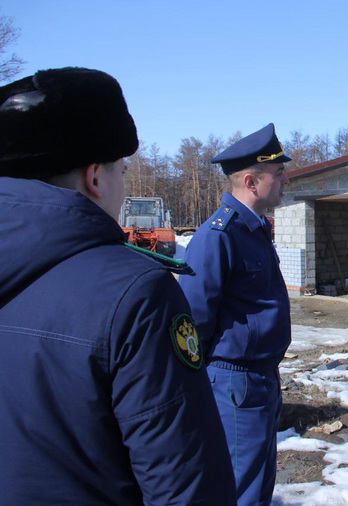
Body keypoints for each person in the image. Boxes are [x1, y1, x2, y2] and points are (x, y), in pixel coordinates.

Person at [0, 67, 236, 504]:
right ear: (95, 177)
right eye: (122, 171)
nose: (124, 187)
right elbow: (185, 482)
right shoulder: (135, 294)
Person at [179, 122, 292, 505]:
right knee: (241, 488)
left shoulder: (253, 228)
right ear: (251, 181)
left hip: (260, 378)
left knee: (258, 484)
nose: (285, 180)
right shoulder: (218, 235)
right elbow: (192, 321)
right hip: (234, 381)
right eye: (278, 174)